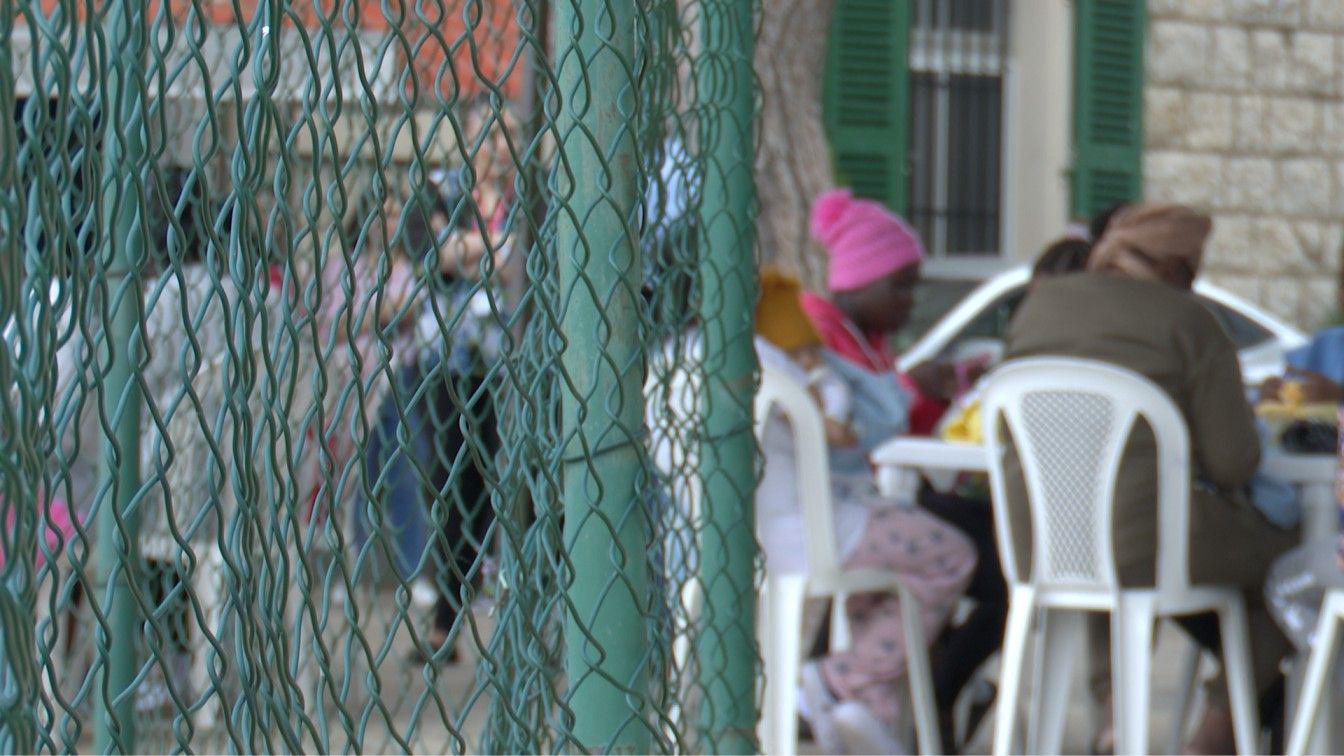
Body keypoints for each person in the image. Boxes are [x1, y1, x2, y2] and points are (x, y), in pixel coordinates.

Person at [1004, 203, 1297, 753]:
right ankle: (1217, 733)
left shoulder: (1037, 309)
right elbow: (1234, 462)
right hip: (1146, 546)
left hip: (1036, 542)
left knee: (1102, 538)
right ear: (1178, 269)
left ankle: (1116, 718)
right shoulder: (1188, 321)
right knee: (1298, 564)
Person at [778, 188, 975, 753]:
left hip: (837, 507)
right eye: (903, 285)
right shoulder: (817, 338)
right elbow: (862, 425)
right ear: (859, 279)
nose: (912, 301)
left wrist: (928, 395)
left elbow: (896, 430)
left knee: (883, 589)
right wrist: (912, 392)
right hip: (818, 515)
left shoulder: (867, 341)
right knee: (952, 555)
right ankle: (837, 679)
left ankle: (871, 713)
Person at [921, 235, 1094, 751]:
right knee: (1012, 571)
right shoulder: (1016, 361)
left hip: (1035, 521)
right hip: (992, 509)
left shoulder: (1075, 362)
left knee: (1020, 573)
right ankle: (938, 692)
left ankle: (938, 692)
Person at [756, 267, 857, 447]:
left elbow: (836, 394)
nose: (808, 360)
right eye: (793, 354)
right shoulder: (770, 366)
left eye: (812, 350)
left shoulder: (825, 378)